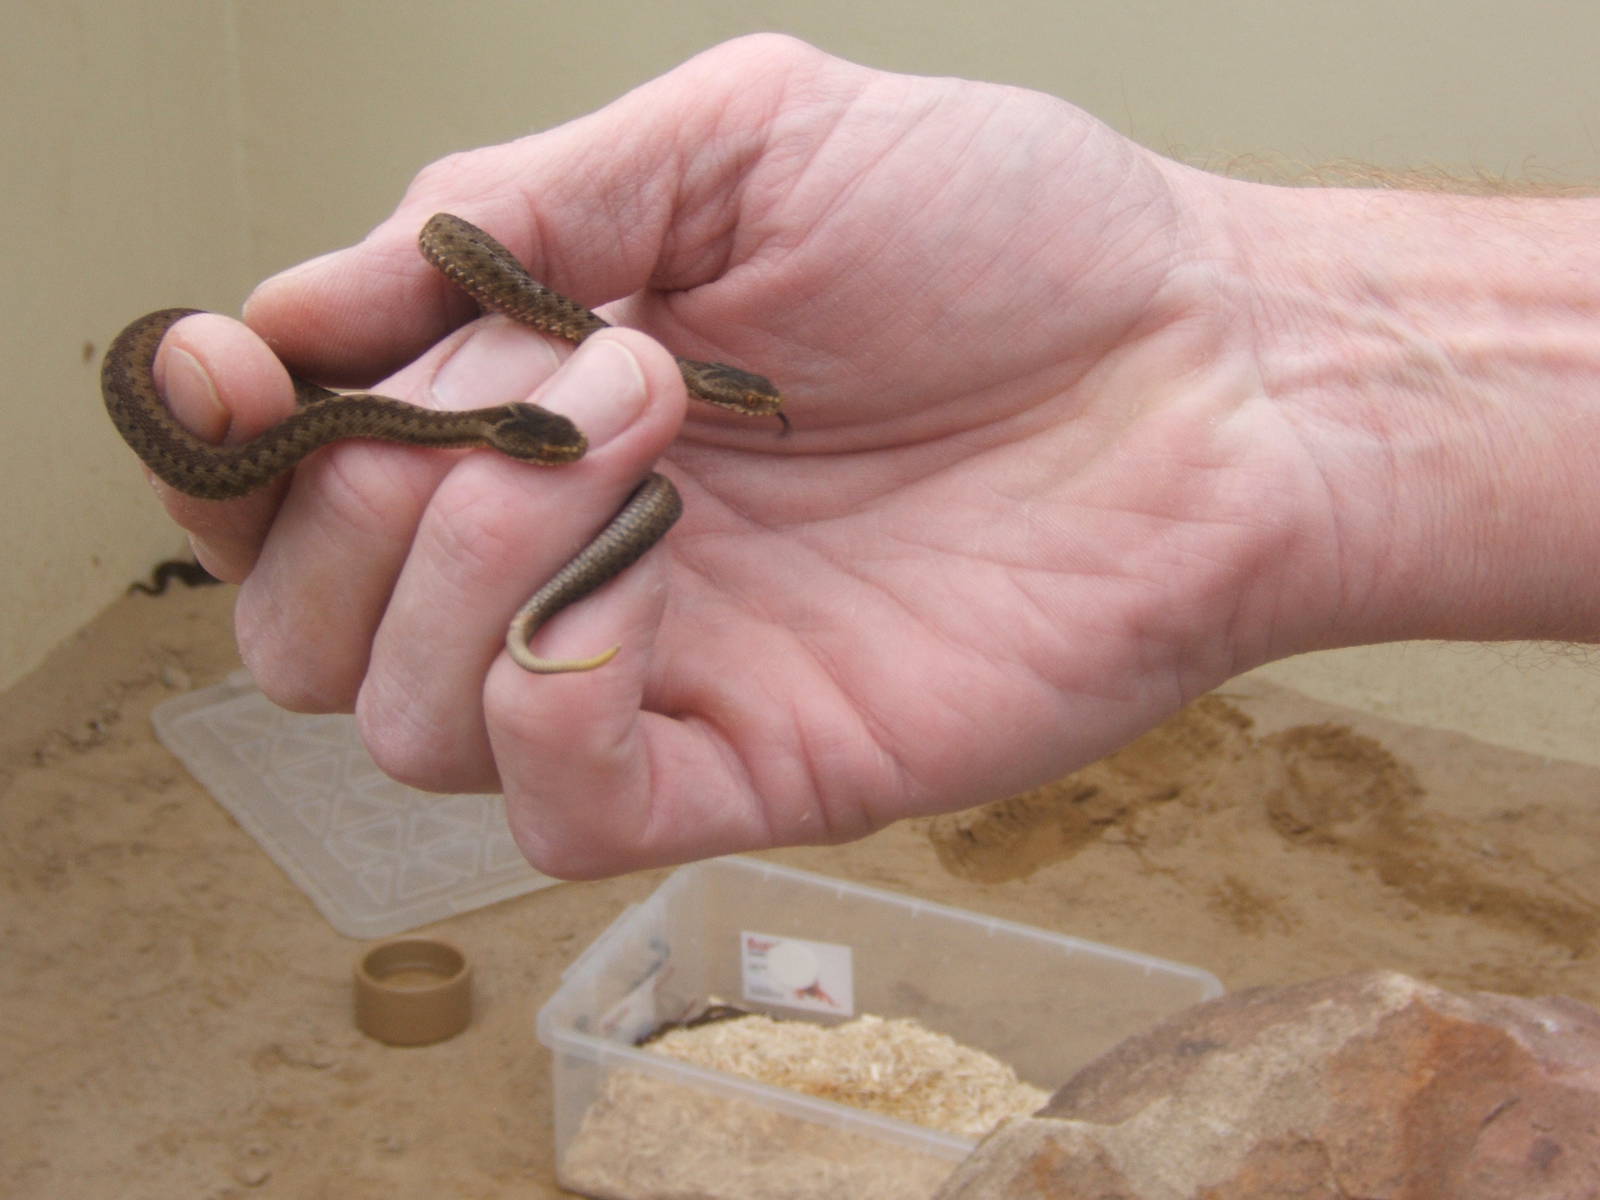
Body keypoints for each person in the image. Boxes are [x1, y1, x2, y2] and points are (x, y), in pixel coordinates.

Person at [138, 35, 1600, 879]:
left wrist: (1232, 345)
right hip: (422, 390)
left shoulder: (586, 368)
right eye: (728, 393)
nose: (737, 402)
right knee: (282, 398)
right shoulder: (527, 354)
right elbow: (449, 280)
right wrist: (1232, 334)